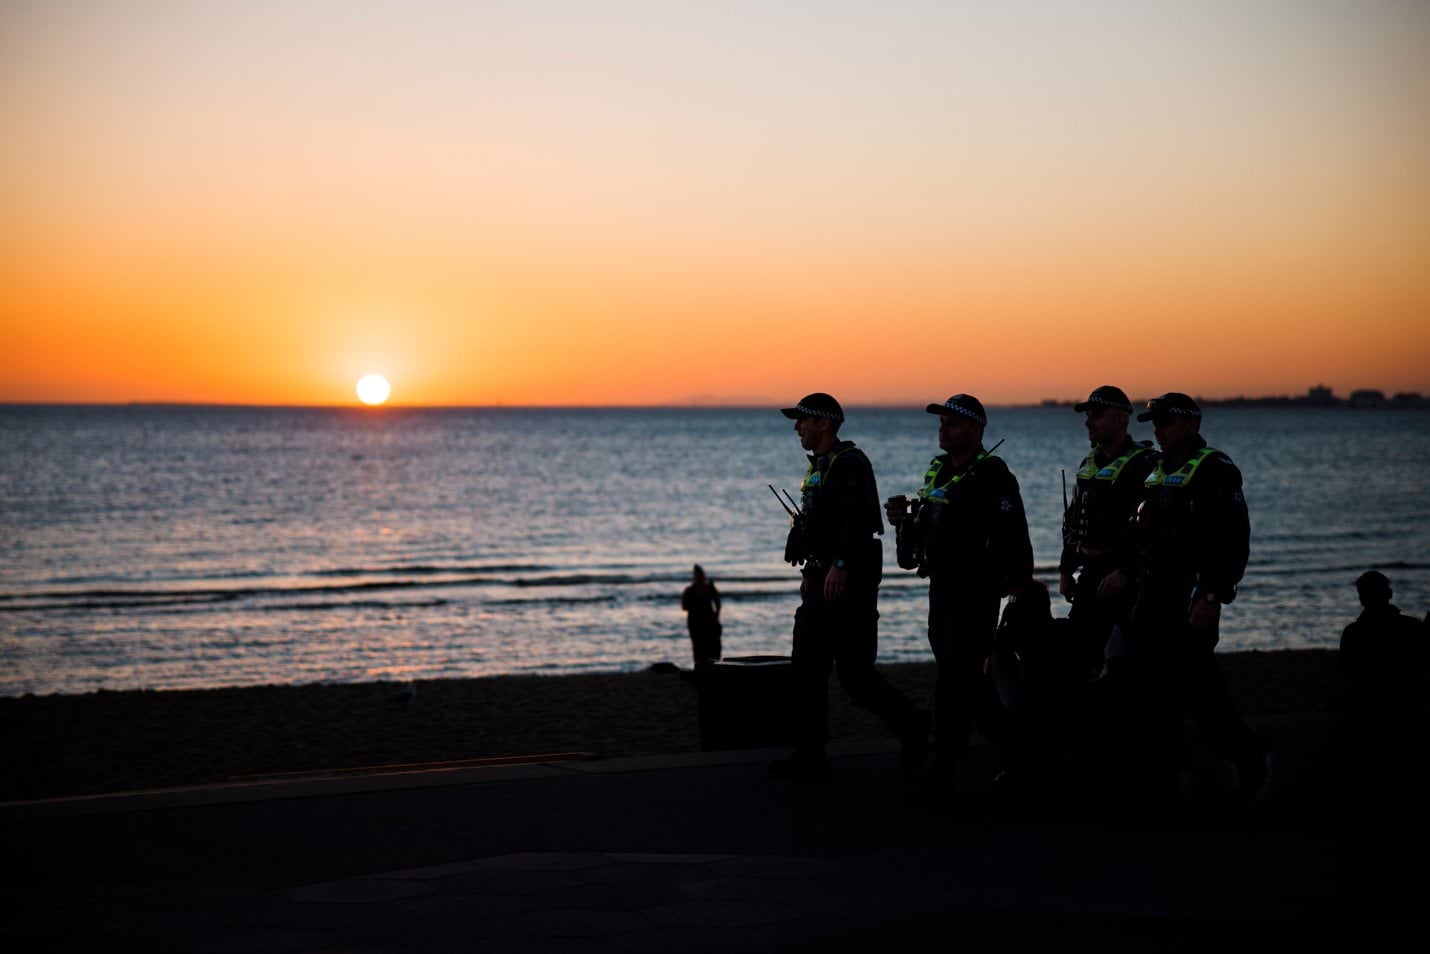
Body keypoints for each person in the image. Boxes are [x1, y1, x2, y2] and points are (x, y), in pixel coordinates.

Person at [1105, 392, 1268, 803]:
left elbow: (1233, 538)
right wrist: (1125, 571)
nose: (1158, 431)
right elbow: (1137, 532)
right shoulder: (1157, 469)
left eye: (1166, 423)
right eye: (1154, 425)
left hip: (1191, 597)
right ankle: (1163, 782)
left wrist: (1213, 594)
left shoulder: (1216, 469)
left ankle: (1251, 757)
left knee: (1200, 691)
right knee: (1149, 695)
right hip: (1151, 595)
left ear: (1191, 425)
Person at [769, 392, 930, 781]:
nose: (797, 427)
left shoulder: (850, 463)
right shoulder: (818, 468)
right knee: (806, 670)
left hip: (849, 585)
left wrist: (840, 564)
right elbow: (825, 520)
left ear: (825, 423)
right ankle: (810, 756)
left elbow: (860, 523)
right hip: (819, 582)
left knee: (856, 678)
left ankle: (913, 726)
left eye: (803, 420)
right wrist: (801, 540)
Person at [886, 394, 1034, 795]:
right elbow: (927, 525)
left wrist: (1019, 590)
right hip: (942, 589)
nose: (943, 428)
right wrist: (903, 520)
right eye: (942, 421)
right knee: (971, 686)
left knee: (953, 682)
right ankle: (1021, 751)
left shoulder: (992, 474)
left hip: (977, 593)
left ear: (975, 429)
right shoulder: (938, 473)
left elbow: (1014, 535)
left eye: (953, 422)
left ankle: (943, 771)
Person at [1058, 385, 1159, 676]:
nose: (1089, 421)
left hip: (1129, 578)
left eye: (1097, 415)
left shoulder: (1144, 464)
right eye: (1088, 415)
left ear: (1120, 420)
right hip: (1091, 574)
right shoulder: (1089, 463)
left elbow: (1150, 530)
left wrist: (1126, 572)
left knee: (1139, 659)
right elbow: (1074, 520)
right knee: (1079, 656)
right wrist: (1066, 570)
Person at [1329, 570, 1426, 715]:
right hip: (1408, 702)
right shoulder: (1413, 626)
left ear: (1362, 599)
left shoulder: (1352, 632)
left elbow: (1345, 670)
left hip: (1367, 703)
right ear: (1389, 594)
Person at [681, 565, 722, 665]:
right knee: (702, 649)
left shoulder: (706, 588)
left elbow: (718, 603)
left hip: (705, 621)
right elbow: (685, 606)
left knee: (710, 648)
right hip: (698, 622)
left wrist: (716, 617)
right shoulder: (691, 590)